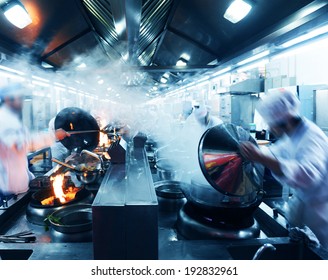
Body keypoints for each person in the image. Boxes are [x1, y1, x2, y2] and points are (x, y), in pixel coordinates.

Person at [239, 88, 328, 249]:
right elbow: (275, 151)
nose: (270, 129)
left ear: (282, 122)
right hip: (304, 209)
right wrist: (249, 152)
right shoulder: (294, 135)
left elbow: (307, 175)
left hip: (320, 219)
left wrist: (260, 157)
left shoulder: (312, 137)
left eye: (271, 124)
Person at [0, 83, 69, 200]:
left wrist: (30, 177)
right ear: (8, 99)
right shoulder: (4, 121)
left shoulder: (12, 119)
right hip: (8, 188)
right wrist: (54, 136)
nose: (22, 101)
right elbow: (21, 144)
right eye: (19, 98)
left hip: (19, 183)